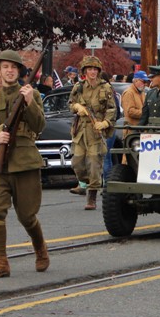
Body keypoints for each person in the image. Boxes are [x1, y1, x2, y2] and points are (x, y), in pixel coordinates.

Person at [0, 50, 48, 277]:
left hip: (25, 162)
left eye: (13, 67)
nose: (9, 71)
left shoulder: (32, 94)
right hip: (1, 164)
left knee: (27, 216)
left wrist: (29, 102)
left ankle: (40, 248)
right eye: (5, 67)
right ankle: (1, 263)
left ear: (19, 71)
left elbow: (39, 126)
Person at [68, 56, 117, 210]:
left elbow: (112, 109)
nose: (92, 72)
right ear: (84, 71)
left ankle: (92, 197)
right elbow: (70, 103)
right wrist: (77, 107)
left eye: (95, 69)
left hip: (96, 130)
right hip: (80, 130)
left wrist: (105, 123)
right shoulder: (79, 87)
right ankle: (86, 182)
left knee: (95, 164)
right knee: (77, 162)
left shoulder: (105, 88)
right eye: (89, 69)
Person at [121, 70, 148, 135]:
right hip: (132, 130)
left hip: (140, 129)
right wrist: (145, 114)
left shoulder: (142, 92)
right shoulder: (129, 93)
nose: (145, 84)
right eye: (143, 81)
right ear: (135, 81)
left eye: (146, 82)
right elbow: (130, 111)